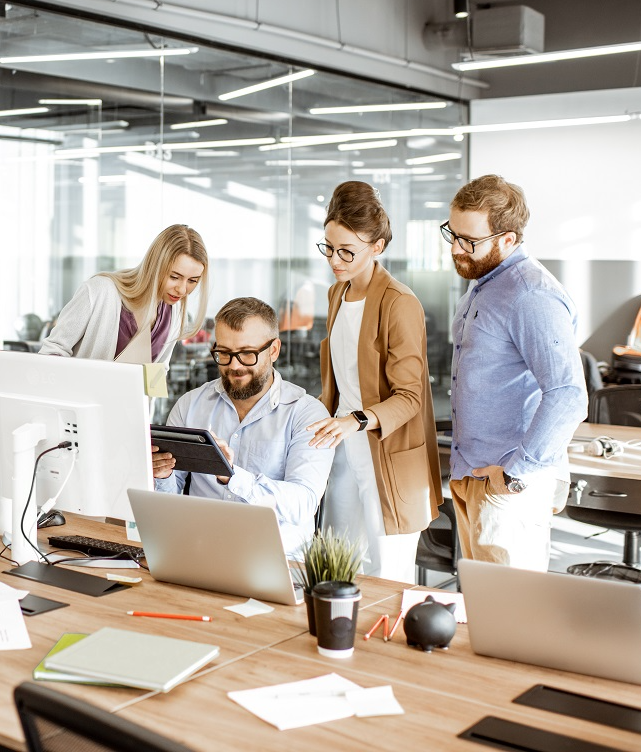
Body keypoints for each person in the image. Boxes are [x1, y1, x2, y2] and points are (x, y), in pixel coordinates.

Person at [443, 175, 587, 570]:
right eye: (452, 234)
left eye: (469, 241)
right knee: (482, 612)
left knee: (513, 617)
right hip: (474, 474)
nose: (456, 249)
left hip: (508, 483)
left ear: (508, 239)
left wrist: (516, 474)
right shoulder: (484, 284)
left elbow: (568, 394)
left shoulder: (531, 295)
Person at [305, 182, 442, 583]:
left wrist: (356, 420)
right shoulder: (336, 294)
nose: (335, 259)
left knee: (387, 575)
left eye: (348, 251)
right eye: (329, 248)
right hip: (345, 448)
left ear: (378, 247)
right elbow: (341, 379)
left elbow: (410, 396)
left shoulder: (400, 303)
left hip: (386, 449)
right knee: (336, 566)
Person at [151, 298, 334, 555]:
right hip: (199, 551)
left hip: (277, 558)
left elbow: (303, 504)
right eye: (224, 353)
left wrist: (233, 476)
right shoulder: (190, 405)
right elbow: (169, 500)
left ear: (273, 350)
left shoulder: (306, 413)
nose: (234, 366)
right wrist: (162, 474)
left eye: (247, 353)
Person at [39, 224, 209, 365]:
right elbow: (52, 352)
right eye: (174, 277)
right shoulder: (99, 291)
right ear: (155, 266)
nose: (182, 289)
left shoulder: (175, 312)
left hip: (128, 406)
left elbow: (157, 374)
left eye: (192, 281)